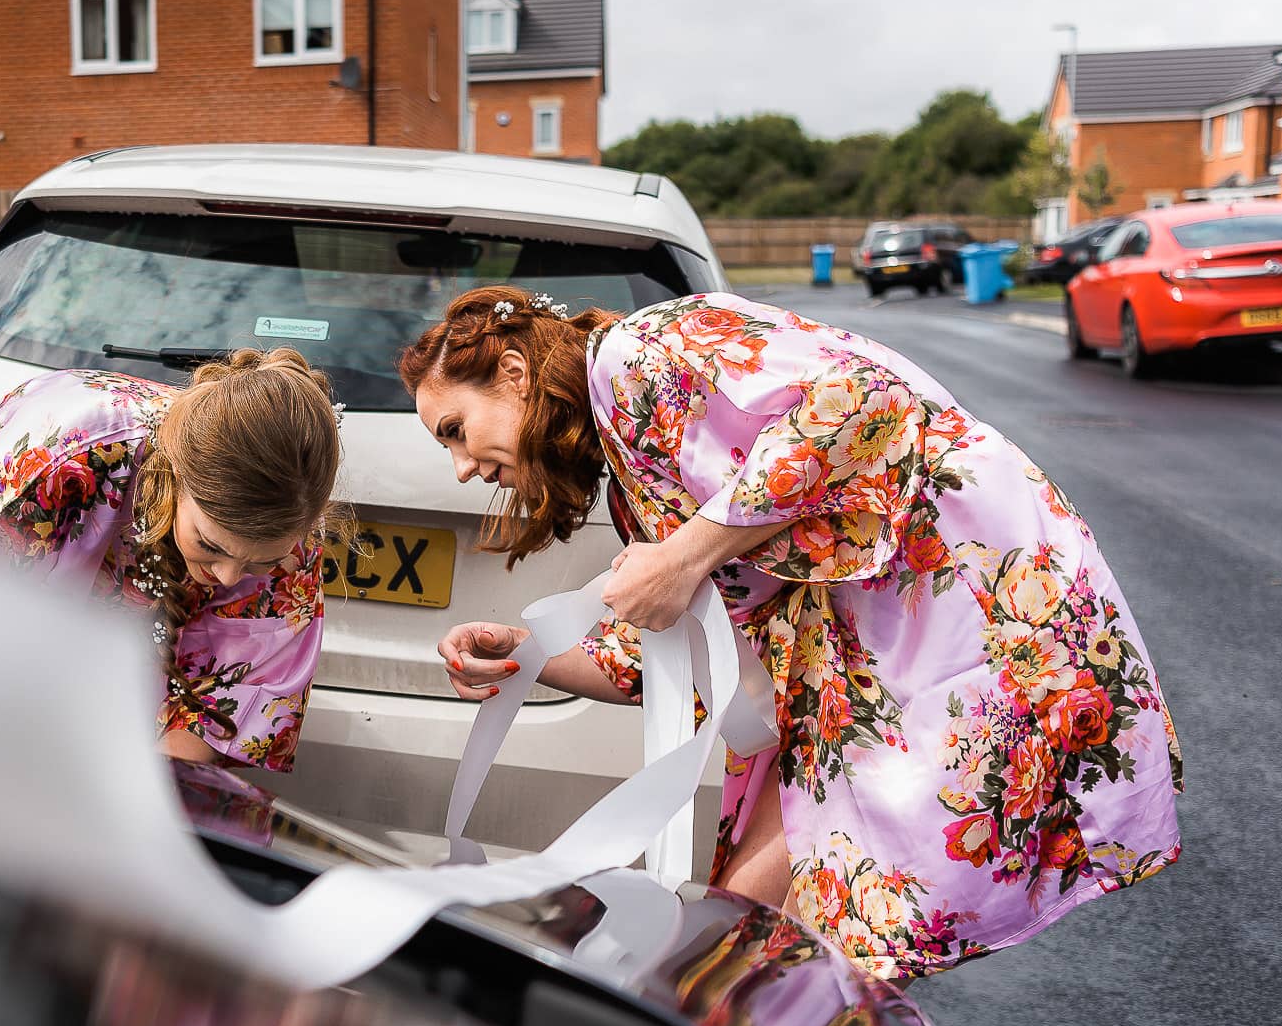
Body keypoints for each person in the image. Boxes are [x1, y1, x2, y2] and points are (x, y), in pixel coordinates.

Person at [399, 285, 1181, 979]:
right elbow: (675, 642)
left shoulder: (644, 349)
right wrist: (526, 655)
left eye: (454, 429)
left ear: (513, 373)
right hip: (859, 664)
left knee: (782, 945)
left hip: (965, 597)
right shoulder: (629, 459)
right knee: (761, 933)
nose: (461, 467)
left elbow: (861, 400)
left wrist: (683, 555)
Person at [0, 350, 345, 772]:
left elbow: (237, 695)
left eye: (258, 564)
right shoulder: (66, 458)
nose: (228, 578)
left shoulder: (290, 519)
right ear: (178, 475)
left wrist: (142, 791)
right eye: (211, 545)